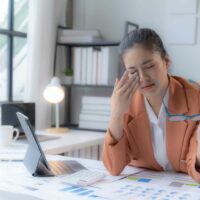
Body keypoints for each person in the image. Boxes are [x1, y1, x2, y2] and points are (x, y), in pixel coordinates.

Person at [102, 28, 200, 183]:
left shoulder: (195, 98)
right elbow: (114, 167)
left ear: (166, 61)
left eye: (149, 66)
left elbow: (196, 167)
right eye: (133, 72)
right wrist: (116, 113)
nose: (143, 78)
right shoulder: (126, 104)